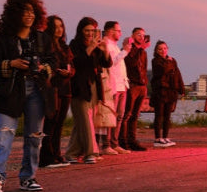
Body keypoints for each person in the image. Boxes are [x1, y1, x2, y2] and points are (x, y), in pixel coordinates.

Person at [0, 0, 54, 192]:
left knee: (34, 137)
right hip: (11, 90)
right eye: (24, 11)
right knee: (3, 135)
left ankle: (28, 178)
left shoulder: (42, 38)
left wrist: (43, 67)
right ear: (14, 14)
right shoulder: (0, 38)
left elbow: (53, 60)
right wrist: (11, 63)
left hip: (37, 90)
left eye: (32, 11)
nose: (29, 15)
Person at [64, 17, 111, 164]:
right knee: (85, 120)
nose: (90, 33)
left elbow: (106, 63)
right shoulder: (74, 45)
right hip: (79, 87)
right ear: (81, 31)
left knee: (83, 122)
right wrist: (90, 48)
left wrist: (105, 50)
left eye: (92, 30)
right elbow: (77, 63)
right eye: (87, 30)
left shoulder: (96, 45)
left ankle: (72, 153)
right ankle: (91, 152)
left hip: (94, 86)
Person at [38, 15, 74, 168]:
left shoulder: (65, 46)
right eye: (56, 26)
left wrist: (69, 72)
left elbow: (72, 65)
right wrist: (58, 71)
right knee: (50, 123)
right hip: (52, 87)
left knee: (59, 124)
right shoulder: (47, 46)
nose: (59, 29)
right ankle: (46, 157)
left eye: (61, 26)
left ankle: (57, 154)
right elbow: (48, 66)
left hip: (65, 87)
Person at [101, 21, 130, 154]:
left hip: (122, 85)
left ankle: (114, 143)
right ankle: (106, 144)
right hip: (113, 85)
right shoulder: (106, 44)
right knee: (110, 116)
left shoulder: (115, 46)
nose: (120, 33)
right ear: (110, 31)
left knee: (119, 116)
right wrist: (125, 51)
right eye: (118, 31)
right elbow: (111, 63)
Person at [119, 27, 150, 151]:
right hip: (132, 85)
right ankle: (123, 141)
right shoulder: (128, 49)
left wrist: (145, 83)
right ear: (132, 36)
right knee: (127, 114)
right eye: (138, 34)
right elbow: (131, 63)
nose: (141, 37)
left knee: (135, 115)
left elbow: (144, 68)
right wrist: (141, 49)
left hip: (141, 85)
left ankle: (132, 140)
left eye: (143, 35)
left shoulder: (143, 52)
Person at [150, 40, 184, 147]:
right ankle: (157, 138)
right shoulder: (155, 61)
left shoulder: (172, 60)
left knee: (167, 116)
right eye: (160, 49)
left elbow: (178, 74)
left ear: (167, 49)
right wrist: (169, 63)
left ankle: (165, 137)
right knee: (159, 115)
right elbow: (163, 70)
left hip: (171, 91)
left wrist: (181, 89)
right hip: (160, 91)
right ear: (156, 51)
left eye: (164, 48)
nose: (163, 51)